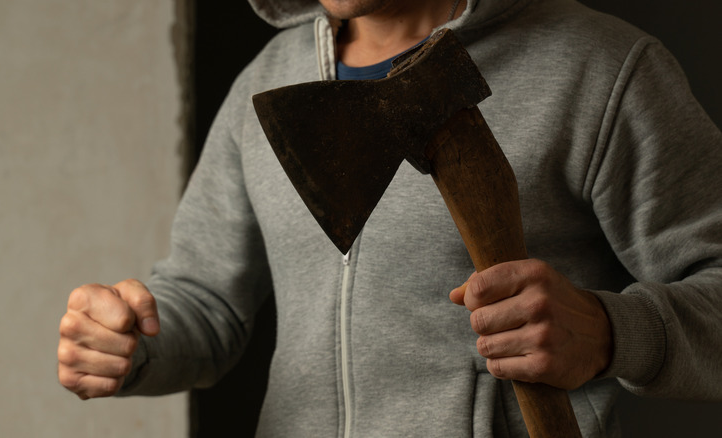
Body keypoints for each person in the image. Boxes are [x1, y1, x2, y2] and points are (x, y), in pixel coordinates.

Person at [57, 0, 722, 436]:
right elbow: (204, 304)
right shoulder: (265, 85)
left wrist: (611, 331)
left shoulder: (597, 68)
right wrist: (127, 340)